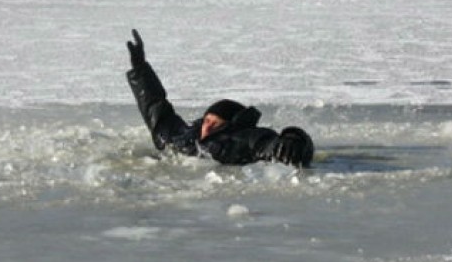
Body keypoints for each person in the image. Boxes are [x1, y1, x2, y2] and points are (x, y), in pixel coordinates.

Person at [125, 29, 314, 167]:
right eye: (207, 120)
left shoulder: (245, 138)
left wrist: (293, 139)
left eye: (216, 123)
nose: (208, 126)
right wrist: (140, 69)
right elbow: (156, 108)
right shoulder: (184, 136)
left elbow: (272, 144)